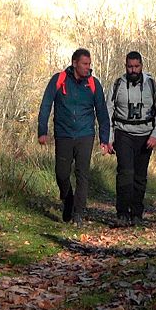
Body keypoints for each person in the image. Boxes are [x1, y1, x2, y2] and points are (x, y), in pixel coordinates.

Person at [38, 48, 111, 227]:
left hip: (85, 134)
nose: (88, 67)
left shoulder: (94, 84)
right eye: (85, 64)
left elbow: (102, 112)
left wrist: (104, 138)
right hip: (63, 134)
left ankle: (78, 213)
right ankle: (67, 199)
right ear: (75, 63)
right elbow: (46, 104)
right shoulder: (59, 80)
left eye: (89, 64)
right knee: (61, 173)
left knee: (82, 174)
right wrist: (42, 131)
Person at [105, 51, 156, 227]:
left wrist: (155, 135)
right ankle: (122, 213)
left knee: (140, 175)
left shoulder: (152, 85)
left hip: (145, 135)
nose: (133, 70)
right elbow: (108, 111)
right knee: (125, 173)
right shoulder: (117, 84)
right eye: (129, 66)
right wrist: (108, 138)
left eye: (136, 66)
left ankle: (137, 213)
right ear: (125, 66)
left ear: (141, 66)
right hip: (123, 133)